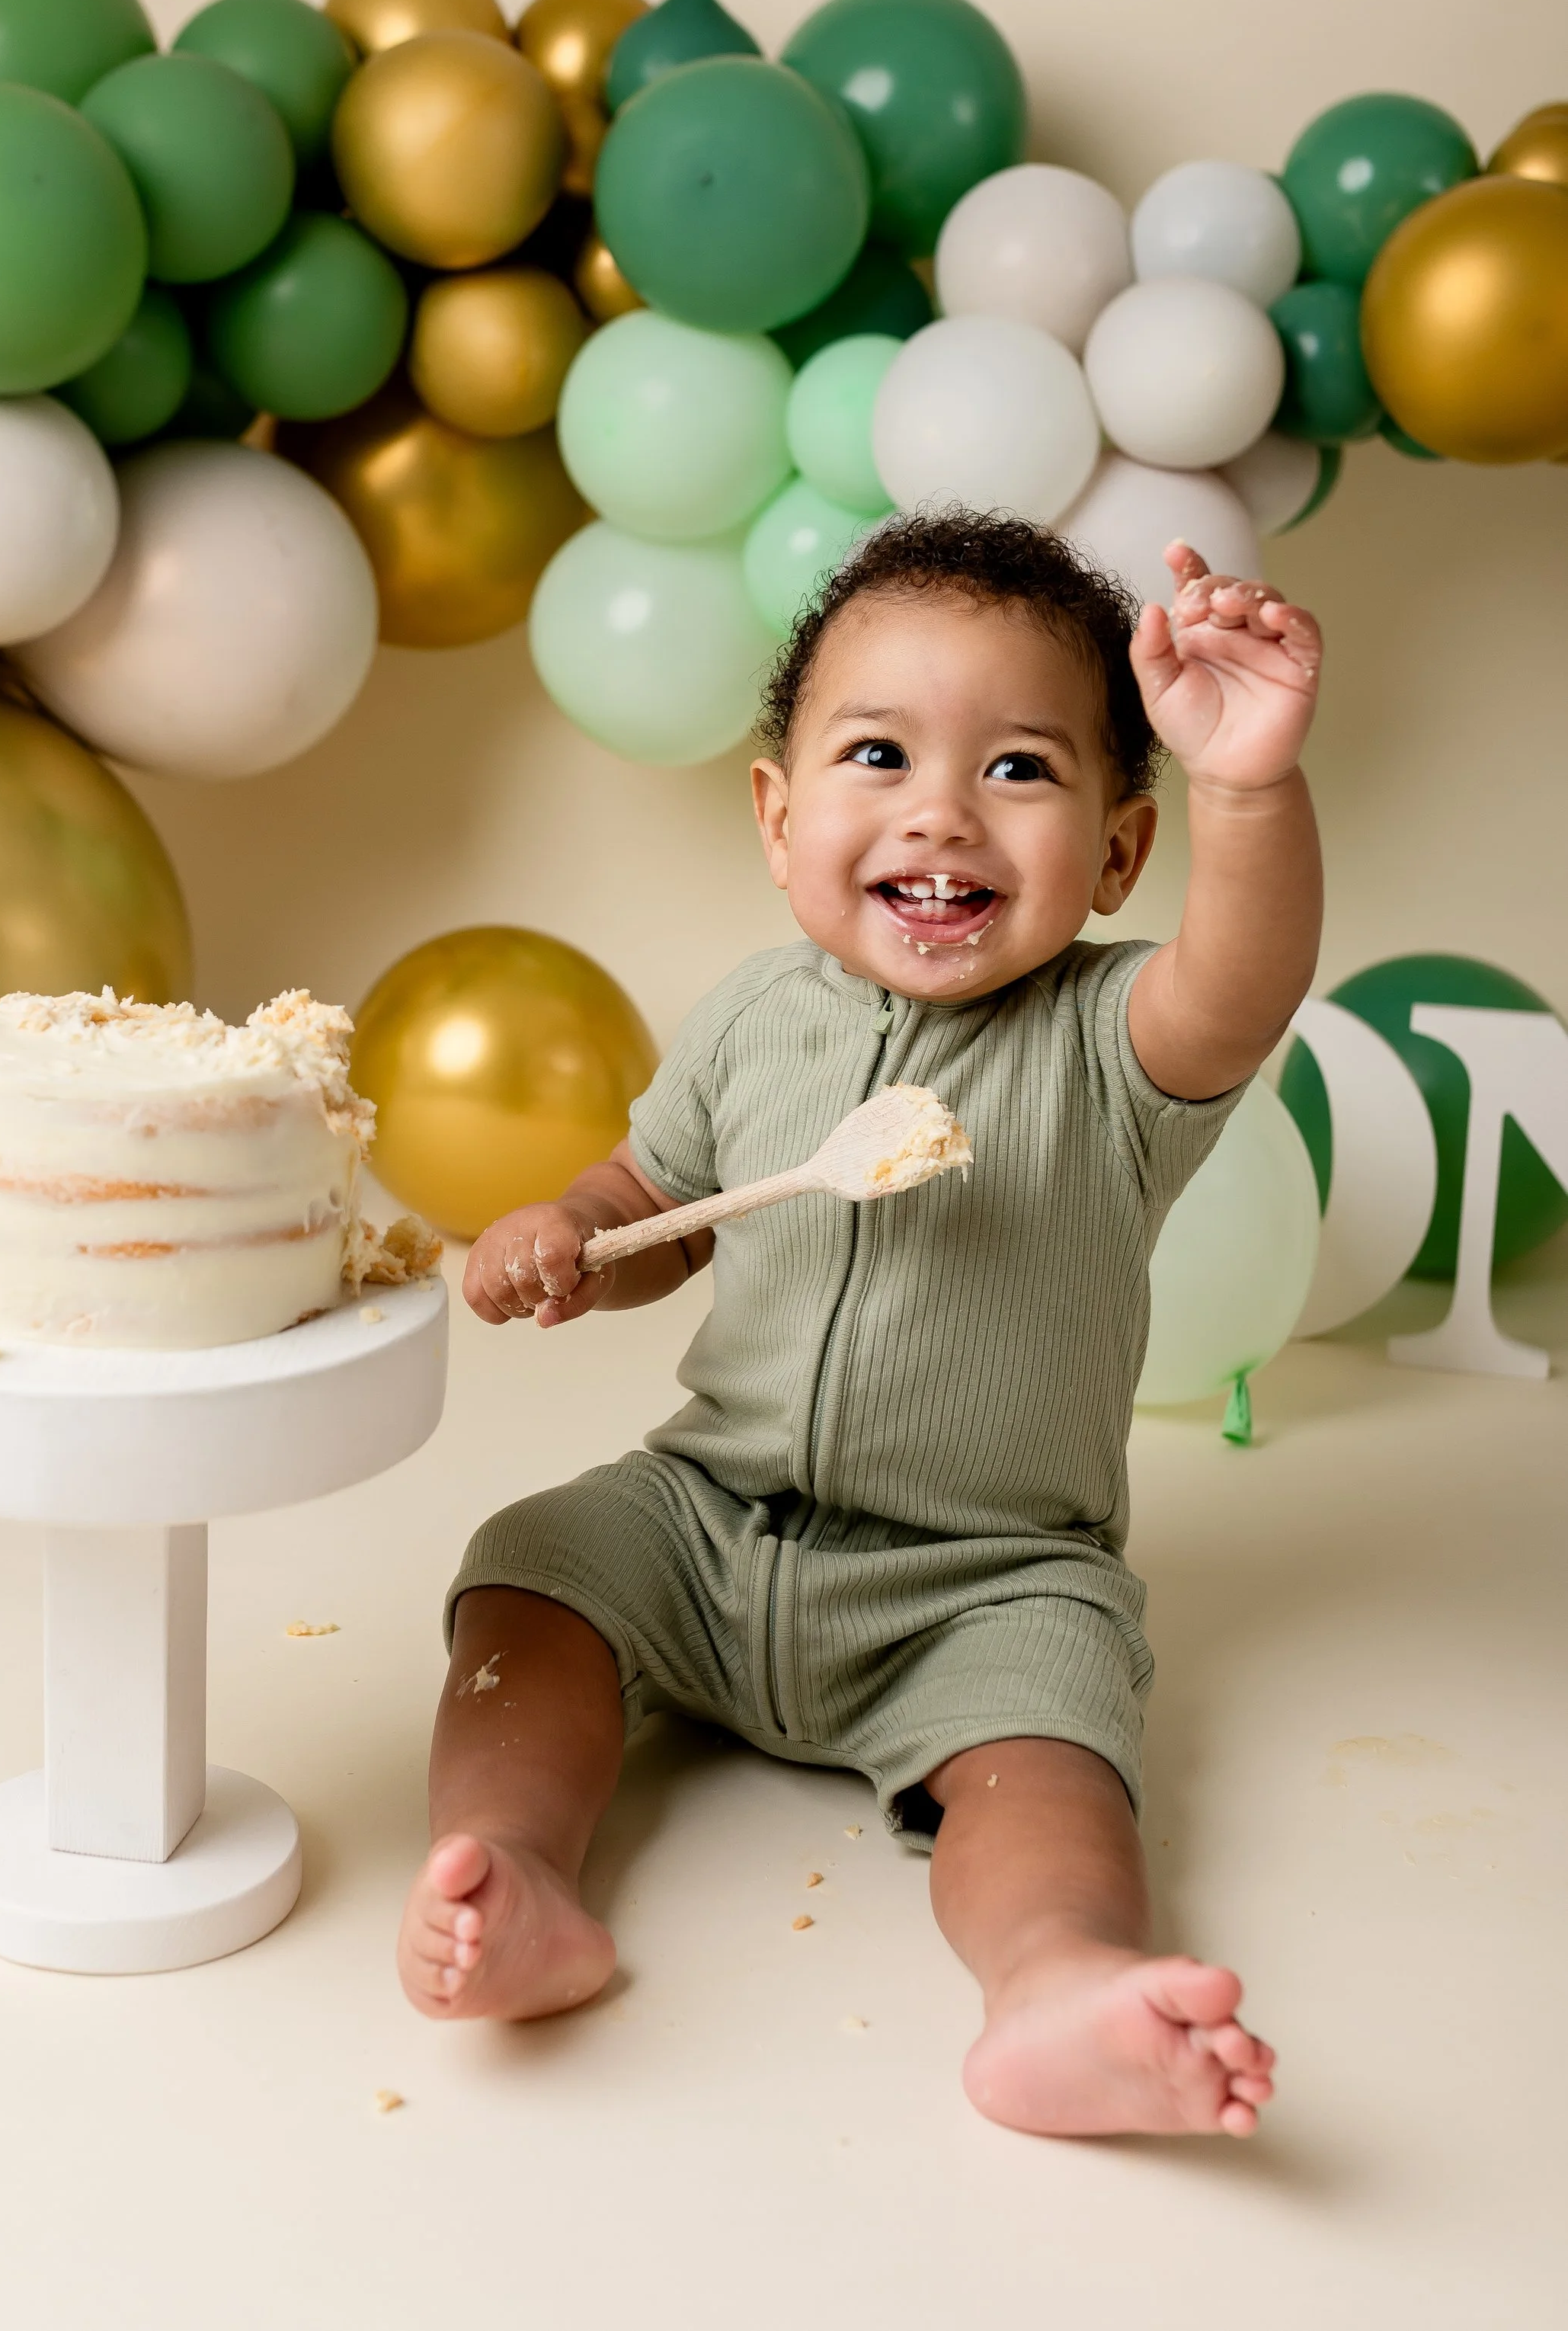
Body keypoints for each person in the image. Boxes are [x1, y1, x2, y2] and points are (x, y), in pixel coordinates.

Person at [397, 508, 1320, 2137]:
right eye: (877, 755)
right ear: (777, 814)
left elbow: (1241, 980)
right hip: (701, 1519)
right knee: (528, 1569)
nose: (941, 814)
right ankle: (517, 1872)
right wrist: (570, 1238)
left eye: (1021, 771)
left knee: (1048, 1759)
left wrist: (1246, 783)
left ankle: (1055, 1979)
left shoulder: (1116, 1048)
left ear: (1115, 852)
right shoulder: (756, 1017)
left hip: (980, 1574)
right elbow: (645, 1201)